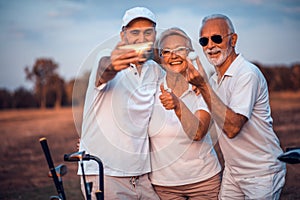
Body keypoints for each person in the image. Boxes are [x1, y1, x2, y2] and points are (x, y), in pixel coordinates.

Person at [185, 14, 286, 199]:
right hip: (233, 172)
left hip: (261, 173)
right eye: (203, 40)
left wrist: (203, 87)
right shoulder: (214, 81)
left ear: (233, 39)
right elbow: (200, 127)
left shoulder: (247, 74)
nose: (210, 45)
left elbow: (232, 128)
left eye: (216, 38)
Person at [78, 7, 164, 199]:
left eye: (148, 32)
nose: (142, 38)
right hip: (104, 174)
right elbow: (104, 69)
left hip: (141, 176)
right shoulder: (105, 57)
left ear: (154, 36)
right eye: (134, 32)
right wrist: (114, 65)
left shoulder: (155, 71)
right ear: (122, 36)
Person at [148, 27, 221, 199]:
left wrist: (177, 105)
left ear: (190, 54)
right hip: (164, 186)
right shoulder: (151, 88)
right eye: (167, 51)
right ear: (160, 57)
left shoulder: (203, 87)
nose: (173, 56)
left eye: (180, 49)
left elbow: (198, 132)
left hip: (204, 181)